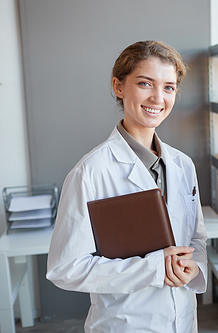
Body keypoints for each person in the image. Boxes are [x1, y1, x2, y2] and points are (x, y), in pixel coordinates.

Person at [47, 40, 207, 333]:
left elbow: (195, 241)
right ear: (118, 87)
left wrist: (195, 268)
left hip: (183, 321)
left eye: (169, 87)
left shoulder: (183, 165)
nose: (158, 97)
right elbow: (65, 268)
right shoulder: (91, 171)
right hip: (125, 325)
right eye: (146, 83)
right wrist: (153, 269)